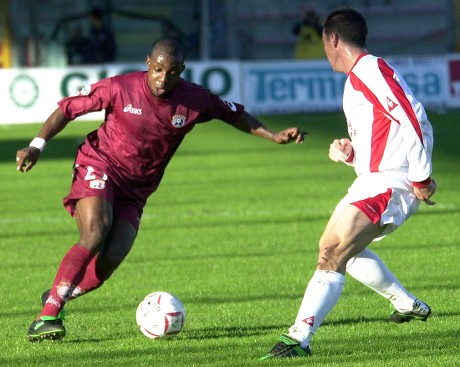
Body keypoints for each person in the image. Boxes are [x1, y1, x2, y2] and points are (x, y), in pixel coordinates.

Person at [16, 38, 305, 342]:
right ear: (147, 63)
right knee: (95, 232)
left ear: (182, 71)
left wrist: (272, 135)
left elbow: (232, 113)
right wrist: (37, 145)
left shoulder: (194, 99)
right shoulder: (120, 87)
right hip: (100, 165)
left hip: (138, 188)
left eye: (172, 72)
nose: (162, 79)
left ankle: (57, 294)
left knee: (111, 258)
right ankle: (46, 317)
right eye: (157, 70)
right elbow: (67, 110)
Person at [261, 8, 437, 359]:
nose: (325, 52)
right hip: (372, 180)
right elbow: (386, 133)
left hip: (391, 184)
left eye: (325, 44)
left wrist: (421, 177)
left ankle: (298, 339)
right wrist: (351, 151)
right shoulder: (359, 76)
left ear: (333, 40)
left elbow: (413, 116)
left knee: (333, 253)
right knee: (336, 248)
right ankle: (406, 304)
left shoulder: (370, 69)